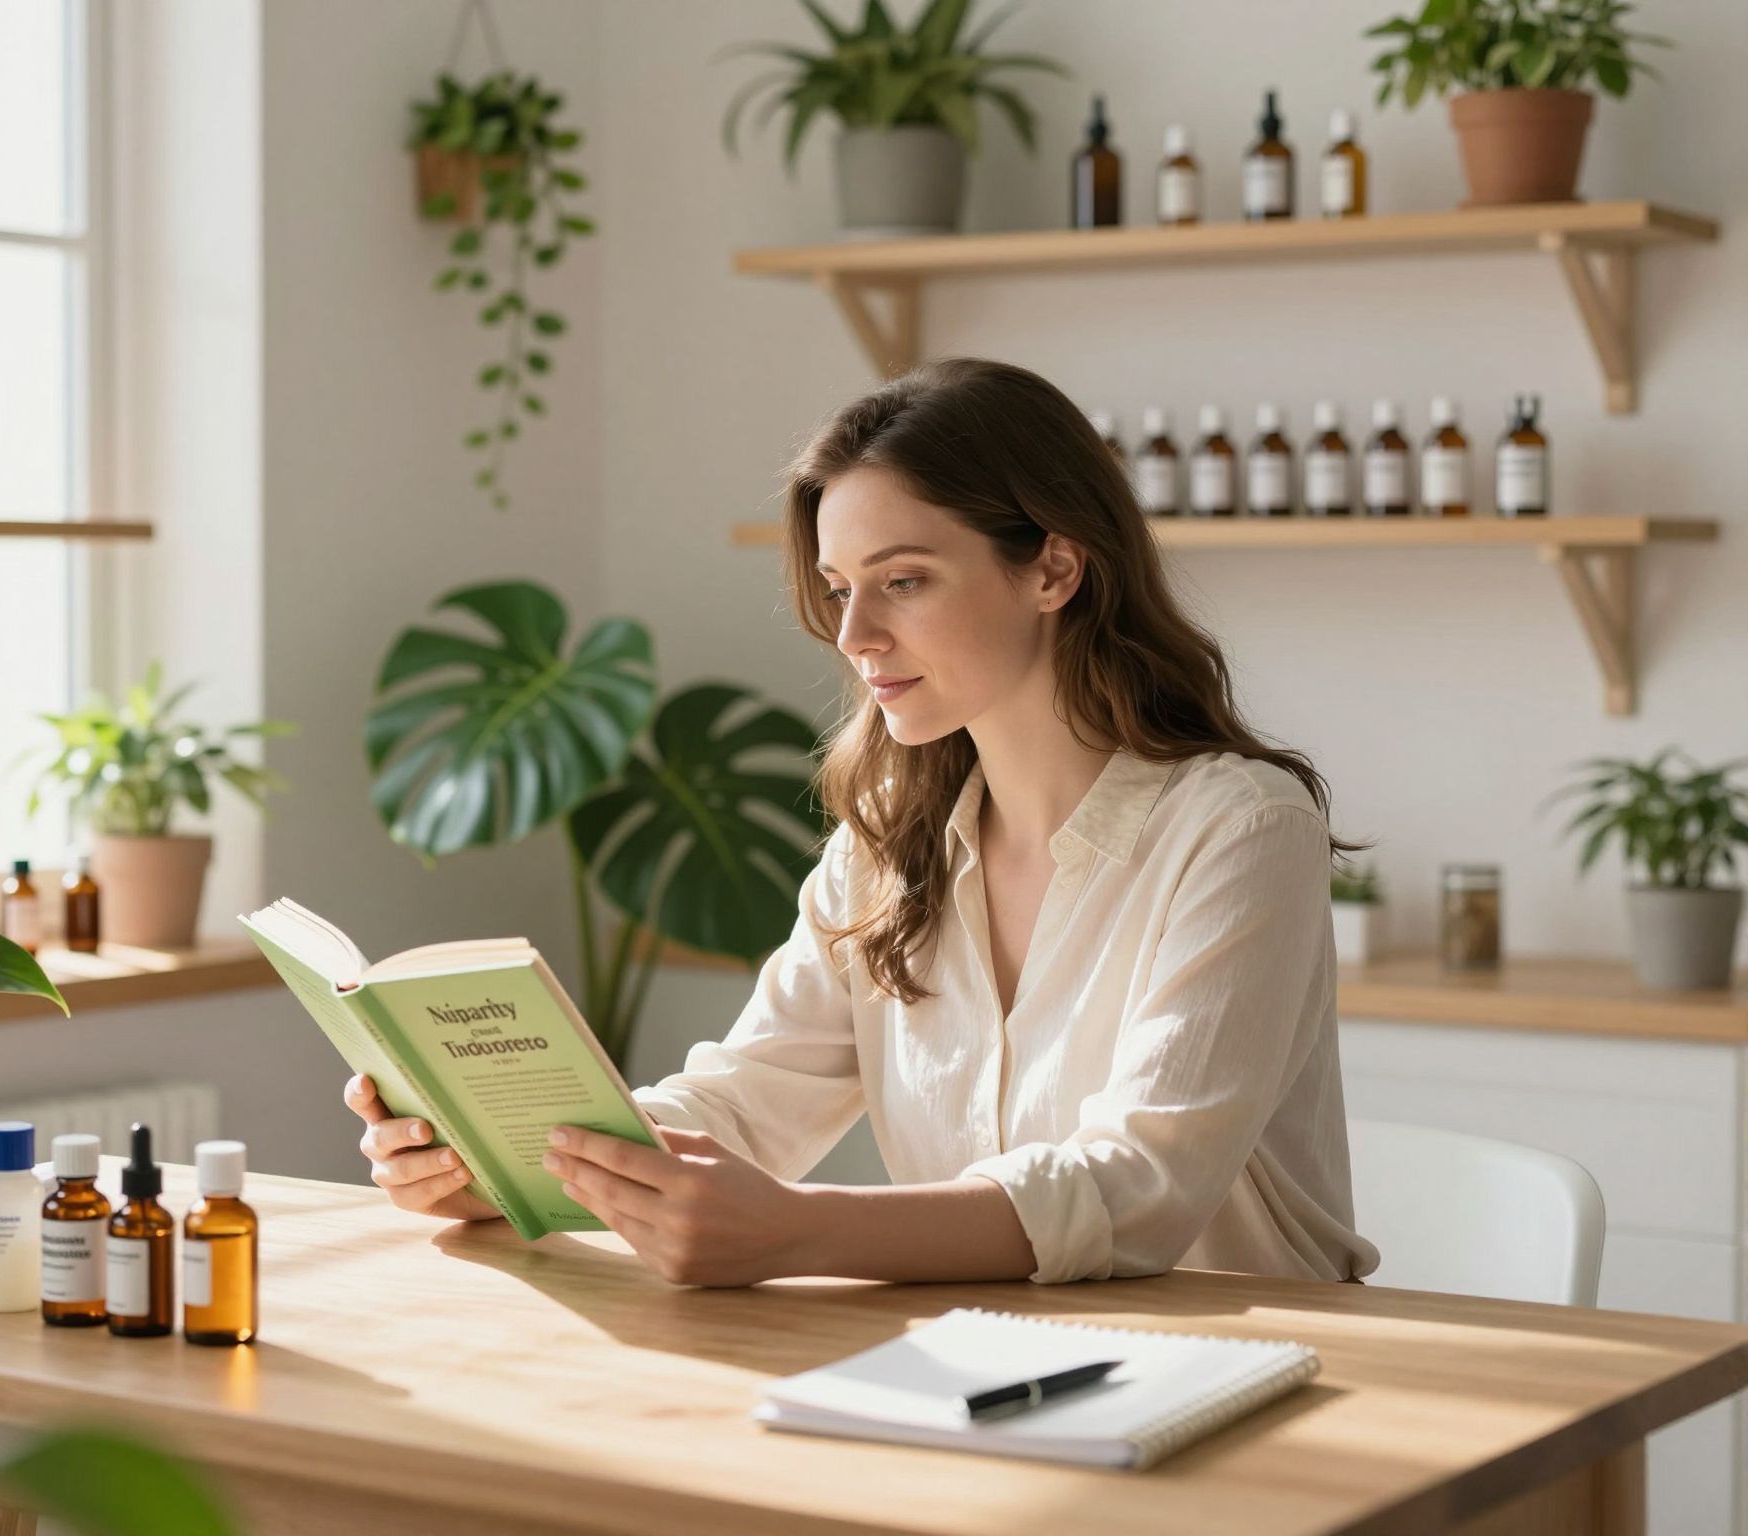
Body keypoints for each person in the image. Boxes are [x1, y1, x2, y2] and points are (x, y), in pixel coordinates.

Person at [348, 357, 1380, 1291]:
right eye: (841, 590)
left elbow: (1140, 1184)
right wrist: (504, 1162)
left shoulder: (1239, 832)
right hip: (980, 1368)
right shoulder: (889, 843)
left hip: (1256, 1378)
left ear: (1053, 571)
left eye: (903, 581)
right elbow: (745, 1104)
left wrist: (803, 1234)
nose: (853, 636)